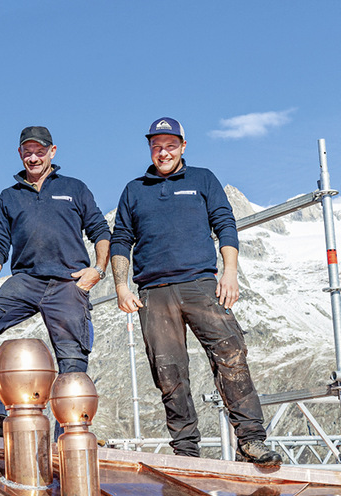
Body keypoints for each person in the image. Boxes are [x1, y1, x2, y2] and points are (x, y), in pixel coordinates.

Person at [110, 117, 282, 466]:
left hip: (201, 285)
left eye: (170, 145)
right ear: (150, 149)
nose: (163, 152)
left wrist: (229, 272)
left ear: (183, 146)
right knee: (168, 373)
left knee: (231, 354)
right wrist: (120, 286)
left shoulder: (203, 179)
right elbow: (121, 239)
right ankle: (186, 453)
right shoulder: (134, 190)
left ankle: (251, 441)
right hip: (154, 292)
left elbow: (225, 224)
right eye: (157, 146)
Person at [0, 126, 110, 436]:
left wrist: (98, 269)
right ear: (20, 154)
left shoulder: (74, 188)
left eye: (40, 151)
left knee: (72, 361)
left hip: (68, 281)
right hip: (25, 281)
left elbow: (100, 230)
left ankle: (66, 438)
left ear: (53, 151)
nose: (34, 157)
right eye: (28, 152)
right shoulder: (9, 197)